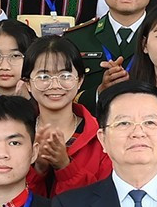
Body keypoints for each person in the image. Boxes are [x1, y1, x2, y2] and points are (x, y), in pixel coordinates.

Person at [21, 36, 111, 197]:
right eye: (44, 77)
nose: (55, 85)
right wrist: (38, 169)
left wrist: (65, 166)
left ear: (80, 81)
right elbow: (9, 200)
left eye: (65, 76)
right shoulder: (17, 134)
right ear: (27, 83)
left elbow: (104, 200)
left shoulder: (102, 137)